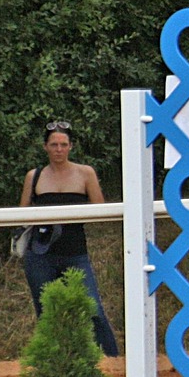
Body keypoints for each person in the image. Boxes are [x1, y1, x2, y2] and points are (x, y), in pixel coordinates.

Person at [18, 120, 118, 356]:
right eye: (54, 145)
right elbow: (21, 214)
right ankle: (54, 361)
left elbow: (100, 210)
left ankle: (112, 359)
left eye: (63, 144)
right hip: (40, 255)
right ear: (45, 147)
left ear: (71, 146)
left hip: (75, 253)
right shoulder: (34, 176)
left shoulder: (85, 173)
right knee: (46, 312)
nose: (59, 149)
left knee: (93, 309)